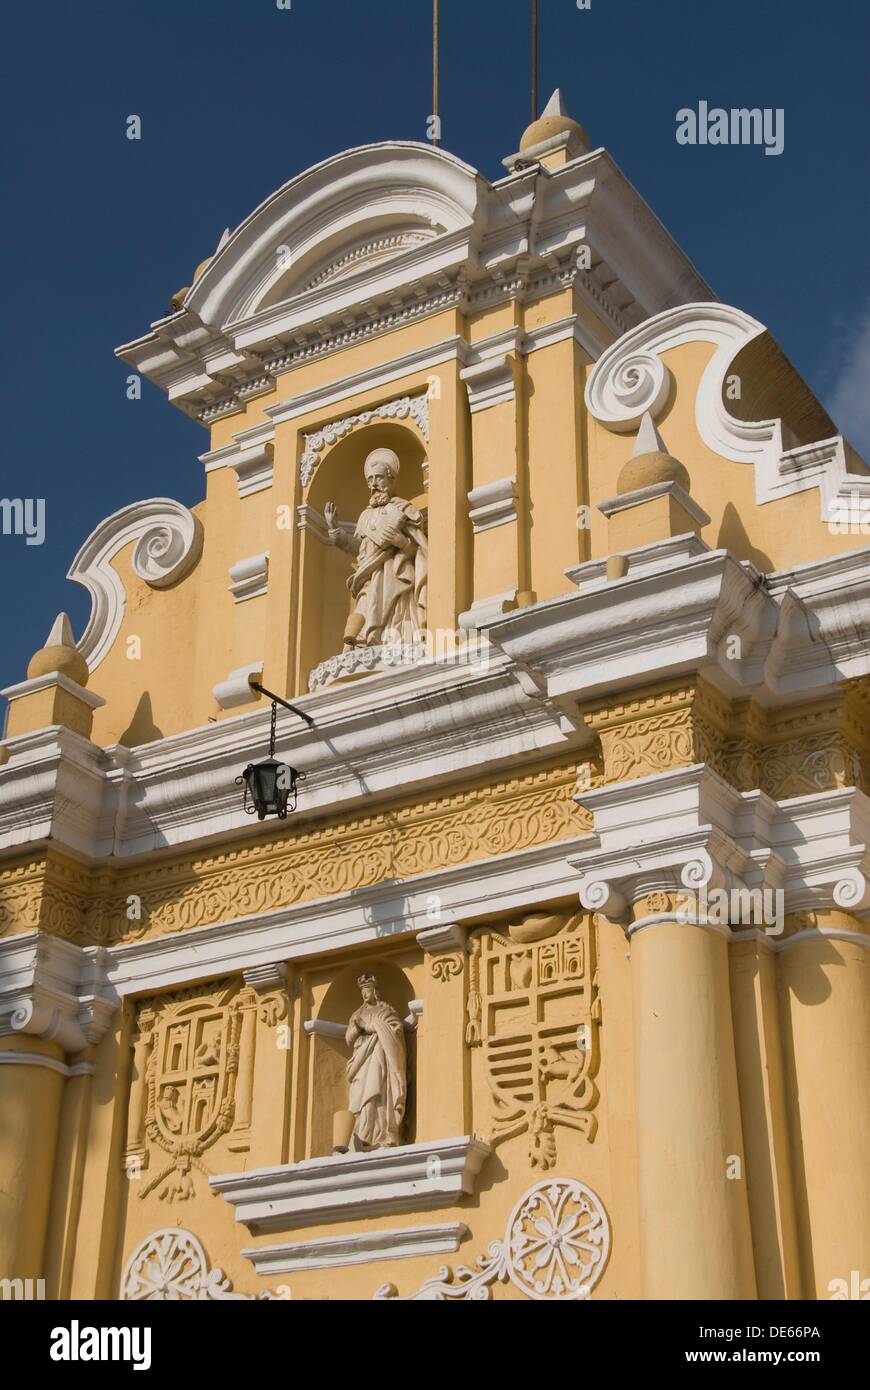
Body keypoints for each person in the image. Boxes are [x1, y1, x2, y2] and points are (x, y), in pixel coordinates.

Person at [324, 447, 427, 648]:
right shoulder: (365, 516)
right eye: (370, 479)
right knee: (364, 606)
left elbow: (420, 552)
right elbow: (359, 549)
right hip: (367, 576)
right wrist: (335, 529)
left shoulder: (403, 510)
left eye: (378, 478)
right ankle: (364, 645)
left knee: (394, 610)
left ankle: (394, 641)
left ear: (391, 478)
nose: (373, 484)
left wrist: (401, 542)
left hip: (394, 572)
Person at [345, 974, 407, 1149]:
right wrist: (358, 1028)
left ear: (375, 992)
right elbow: (349, 1039)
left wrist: (372, 1028)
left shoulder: (385, 1012)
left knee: (378, 1091)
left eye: (368, 991)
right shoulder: (357, 1014)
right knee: (360, 1095)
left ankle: (380, 1134)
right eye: (363, 992)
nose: (365, 995)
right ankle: (360, 1134)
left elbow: (396, 1031)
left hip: (379, 1055)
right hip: (361, 1061)